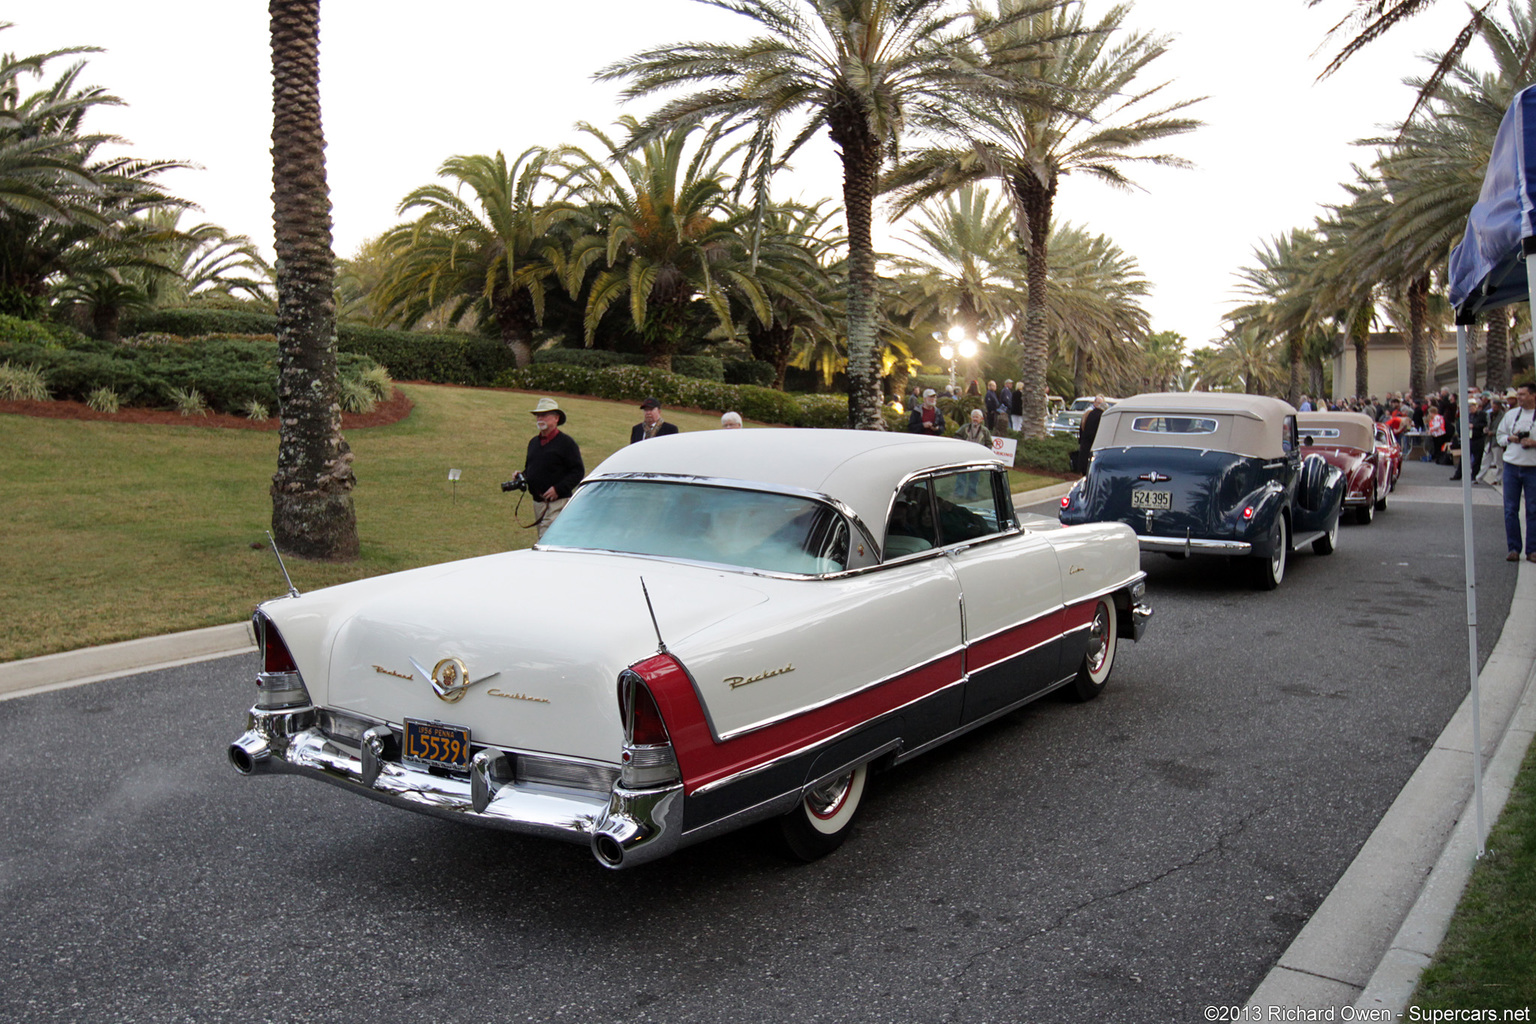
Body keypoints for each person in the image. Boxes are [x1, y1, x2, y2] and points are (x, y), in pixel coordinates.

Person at [521, 397, 585, 538]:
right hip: (538, 502)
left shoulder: (566, 443)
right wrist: (521, 476)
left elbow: (578, 471)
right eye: (538, 415)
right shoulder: (534, 443)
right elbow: (531, 468)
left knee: (547, 540)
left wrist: (558, 488)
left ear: (556, 418)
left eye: (544, 415)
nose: (540, 418)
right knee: (544, 538)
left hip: (558, 502)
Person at [1495, 381, 1536, 562]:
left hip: (1532, 467)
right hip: (1512, 465)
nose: (1519, 398)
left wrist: (1533, 443)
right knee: (1510, 509)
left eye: (1523, 394)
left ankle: (1532, 550)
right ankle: (1513, 548)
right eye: (1518, 394)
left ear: (1533, 395)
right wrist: (1510, 439)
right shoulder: (1511, 415)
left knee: (1533, 509)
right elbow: (1500, 436)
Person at [1074, 396, 1106, 475]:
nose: (1099, 404)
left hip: (1086, 439)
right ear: (1095, 402)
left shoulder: (1091, 413)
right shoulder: (1090, 412)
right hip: (1091, 439)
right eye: (1098, 403)